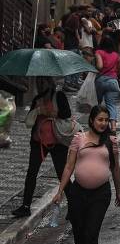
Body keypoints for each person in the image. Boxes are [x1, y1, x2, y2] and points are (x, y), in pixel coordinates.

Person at [52, 106, 120, 244]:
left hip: (101, 193)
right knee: (79, 230)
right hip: (78, 192)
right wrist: (59, 191)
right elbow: (69, 167)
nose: (103, 123)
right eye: (100, 119)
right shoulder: (78, 139)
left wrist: (119, 191)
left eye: (106, 120)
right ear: (91, 120)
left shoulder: (111, 141)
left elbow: (115, 168)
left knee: (92, 230)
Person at [11, 77, 74, 218]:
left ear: (49, 83)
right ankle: (26, 206)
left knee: (61, 173)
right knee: (32, 172)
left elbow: (67, 114)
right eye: (38, 83)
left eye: (43, 82)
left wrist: (50, 113)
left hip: (57, 142)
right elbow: (30, 120)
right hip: (38, 142)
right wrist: (37, 111)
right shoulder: (37, 99)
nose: (40, 85)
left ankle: (73, 205)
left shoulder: (59, 96)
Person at [94, 37, 120, 133]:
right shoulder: (116, 55)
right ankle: (113, 127)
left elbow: (100, 66)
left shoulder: (99, 52)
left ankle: (97, 124)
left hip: (101, 80)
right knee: (111, 104)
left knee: (97, 103)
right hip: (113, 82)